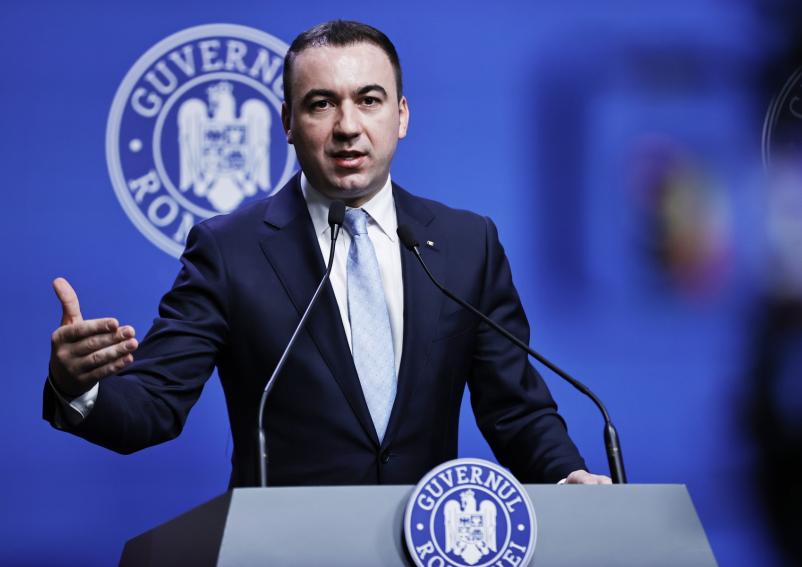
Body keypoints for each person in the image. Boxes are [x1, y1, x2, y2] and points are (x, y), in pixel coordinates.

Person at [45, 20, 610, 487]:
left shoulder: (467, 244)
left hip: (424, 547)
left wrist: (567, 476)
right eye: (321, 104)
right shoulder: (230, 251)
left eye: (369, 100)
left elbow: (515, 408)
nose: (348, 127)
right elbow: (154, 405)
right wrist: (78, 388)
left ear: (401, 115)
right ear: (288, 123)